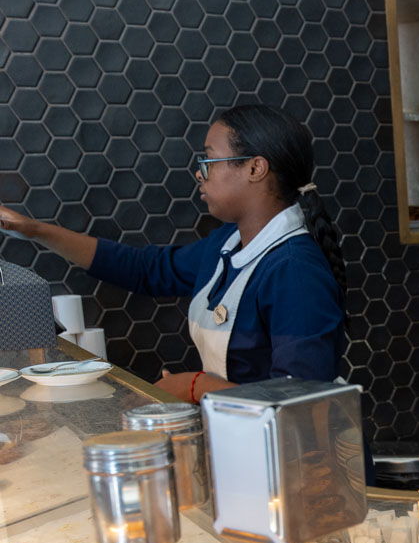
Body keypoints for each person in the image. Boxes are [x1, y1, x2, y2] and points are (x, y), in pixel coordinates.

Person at [0, 104, 346, 404]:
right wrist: (33, 229)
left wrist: (195, 386)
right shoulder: (226, 244)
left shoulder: (295, 272)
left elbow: (299, 401)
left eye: (209, 160)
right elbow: (144, 270)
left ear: (255, 168)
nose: (199, 173)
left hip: (303, 467)